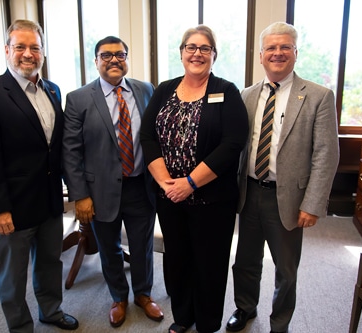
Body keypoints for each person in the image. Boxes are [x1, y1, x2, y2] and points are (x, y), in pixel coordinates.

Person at [0, 19, 78, 332]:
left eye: (34, 47)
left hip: (49, 203)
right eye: (20, 47)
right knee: (12, 276)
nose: (27, 54)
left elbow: (55, 150)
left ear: (43, 52)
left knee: (49, 264)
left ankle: (51, 311)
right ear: (7, 50)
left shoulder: (53, 90)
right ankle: (20, 326)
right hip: (11, 208)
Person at [227, 22, 339, 333]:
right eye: (272, 48)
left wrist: (313, 203)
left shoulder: (318, 96)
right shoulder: (245, 95)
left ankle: (280, 323)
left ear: (295, 53)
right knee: (245, 262)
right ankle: (244, 308)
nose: (278, 53)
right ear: (261, 55)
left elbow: (326, 154)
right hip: (249, 193)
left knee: (286, 269)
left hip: (289, 197)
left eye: (285, 47)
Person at [140, 25, 248, 333]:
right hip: (170, 198)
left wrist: (189, 183)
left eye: (204, 48)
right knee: (178, 260)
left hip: (212, 200)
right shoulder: (163, 89)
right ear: (181, 52)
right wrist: (166, 184)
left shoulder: (227, 91)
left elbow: (232, 143)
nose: (197, 54)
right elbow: (147, 137)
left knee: (209, 264)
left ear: (214, 55)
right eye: (191, 47)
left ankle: (208, 323)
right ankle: (183, 317)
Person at [62, 36, 164, 328]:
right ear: (95, 61)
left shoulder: (146, 90)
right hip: (98, 191)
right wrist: (80, 195)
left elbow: (155, 137)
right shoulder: (78, 98)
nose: (114, 60)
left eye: (120, 54)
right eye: (105, 55)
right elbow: (70, 152)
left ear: (127, 58)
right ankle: (118, 297)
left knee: (143, 245)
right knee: (109, 247)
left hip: (140, 185)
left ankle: (143, 295)